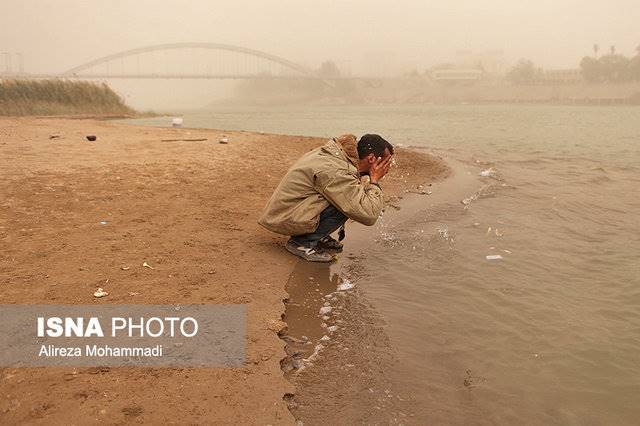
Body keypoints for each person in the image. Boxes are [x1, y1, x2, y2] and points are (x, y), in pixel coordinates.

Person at [258, 133, 393, 262]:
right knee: (351, 203)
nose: (388, 167)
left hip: (287, 210)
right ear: (371, 159)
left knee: (350, 195)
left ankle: (317, 235)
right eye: (386, 162)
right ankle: (301, 242)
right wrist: (374, 180)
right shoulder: (337, 170)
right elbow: (369, 215)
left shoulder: (338, 155)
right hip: (284, 217)